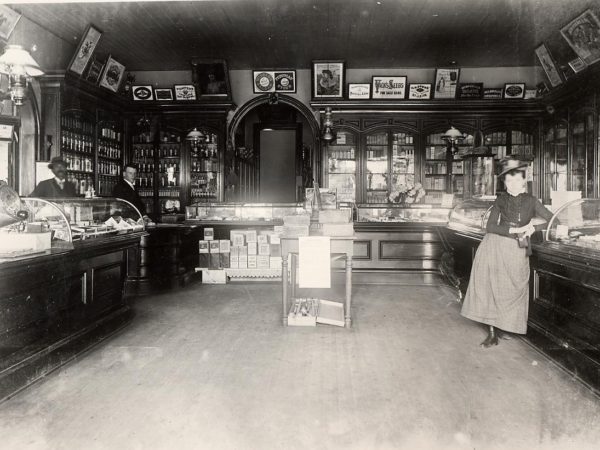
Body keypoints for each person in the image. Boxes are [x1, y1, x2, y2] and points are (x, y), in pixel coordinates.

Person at [460, 156, 554, 347]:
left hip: (518, 248)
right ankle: (492, 332)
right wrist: (514, 230)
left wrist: (532, 228)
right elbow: (490, 227)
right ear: (504, 182)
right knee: (491, 288)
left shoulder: (532, 201)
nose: (513, 184)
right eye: (508, 180)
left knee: (514, 287)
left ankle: (506, 326)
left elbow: (553, 220)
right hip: (494, 246)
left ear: (524, 180)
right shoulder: (500, 200)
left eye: (517, 179)